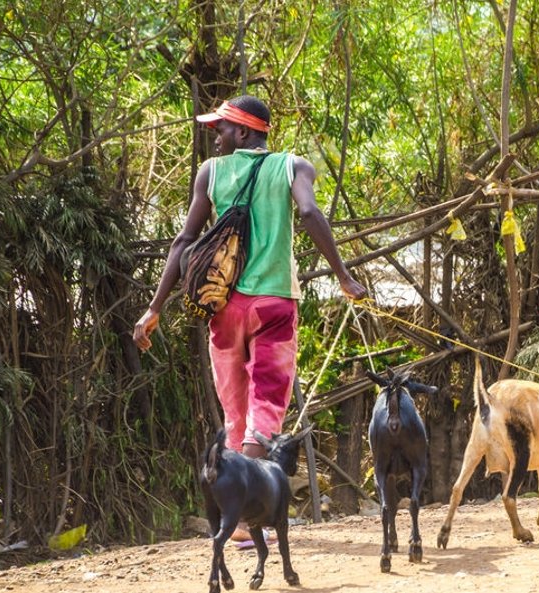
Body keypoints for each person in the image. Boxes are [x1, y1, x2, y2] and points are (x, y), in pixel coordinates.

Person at [133, 95, 366, 541]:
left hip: (224, 308)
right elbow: (310, 212)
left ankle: (236, 518)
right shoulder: (294, 167)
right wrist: (344, 277)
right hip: (275, 303)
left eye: (221, 128)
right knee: (266, 406)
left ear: (243, 131)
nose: (215, 136)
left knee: (235, 410)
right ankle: (250, 514)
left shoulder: (211, 173)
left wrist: (155, 307)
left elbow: (184, 240)